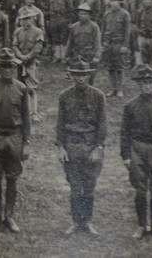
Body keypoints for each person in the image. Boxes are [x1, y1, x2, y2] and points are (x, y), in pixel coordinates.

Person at [0, 50, 34, 233]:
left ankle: (9, 215)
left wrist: (26, 142)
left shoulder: (22, 89)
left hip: (15, 136)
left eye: (11, 67)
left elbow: (26, 118)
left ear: (15, 68)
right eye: (4, 67)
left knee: (12, 177)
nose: (8, 71)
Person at [120, 65, 152, 241]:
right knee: (140, 190)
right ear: (139, 84)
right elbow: (124, 133)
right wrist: (126, 156)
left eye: (150, 82)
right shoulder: (130, 106)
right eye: (143, 83)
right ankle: (142, 225)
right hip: (137, 149)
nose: (147, 86)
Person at [56, 60, 107, 235]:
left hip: (91, 145)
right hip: (72, 145)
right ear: (72, 75)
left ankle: (88, 221)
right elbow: (60, 123)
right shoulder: (64, 96)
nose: (80, 78)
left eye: (84, 74)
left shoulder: (98, 96)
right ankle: (77, 221)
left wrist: (98, 147)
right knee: (75, 186)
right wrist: (61, 147)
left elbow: (102, 124)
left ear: (89, 75)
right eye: (77, 74)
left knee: (90, 185)